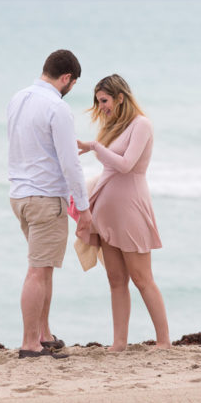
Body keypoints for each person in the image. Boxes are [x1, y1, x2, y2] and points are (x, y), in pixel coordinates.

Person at [7, 49, 92, 359]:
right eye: (73, 83)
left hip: (19, 195)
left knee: (44, 269)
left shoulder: (17, 99)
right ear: (66, 78)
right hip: (45, 198)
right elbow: (71, 164)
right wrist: (83, 209)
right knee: (37, 270)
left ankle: (44, 334)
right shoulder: (57, 108)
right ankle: (30, 342)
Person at [77, 74, 171, 351]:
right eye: (97, 102)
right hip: (106, 211)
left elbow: (126, 165)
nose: (101, 106)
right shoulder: (112, 126)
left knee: (142, 278)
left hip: (131, 209)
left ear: (120, 97)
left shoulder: (141, 125)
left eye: (104, 100)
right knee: (115, 280)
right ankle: (119, 343)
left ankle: (164, 341)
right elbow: (108, 167)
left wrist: (94, 146)